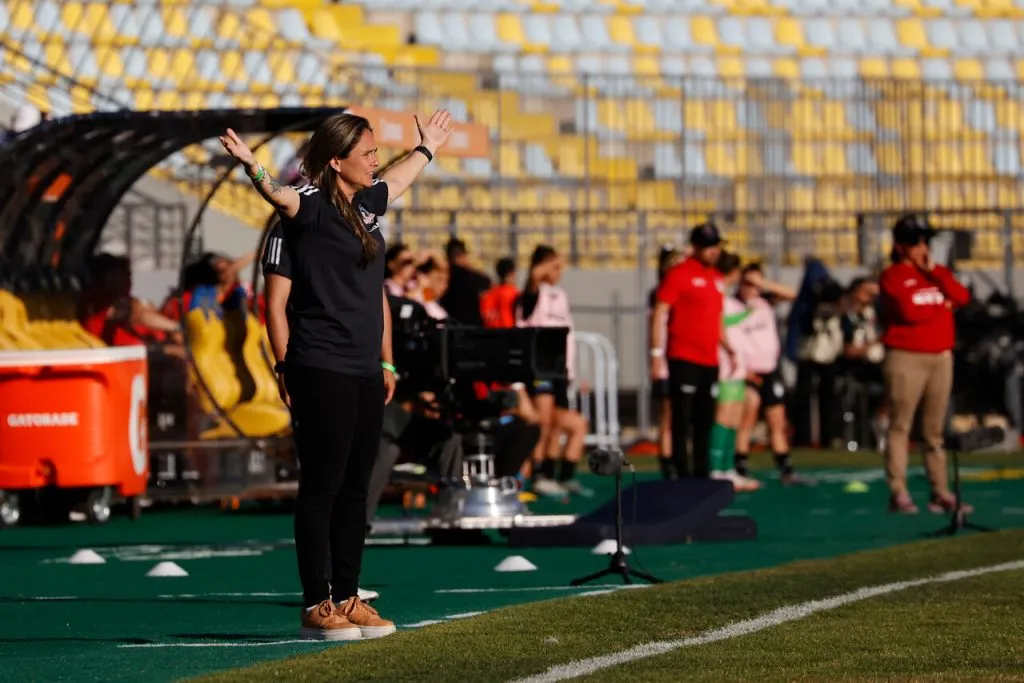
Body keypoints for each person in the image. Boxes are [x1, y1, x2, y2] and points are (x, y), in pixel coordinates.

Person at [219, 108, 453, 640]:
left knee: (355, 486)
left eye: (375, 152)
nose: (375, 161)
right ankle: (316, 603)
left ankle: (349, 596)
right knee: (322, 486)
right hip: (319, 365)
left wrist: (427, 149)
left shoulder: (368, 208)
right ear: (336, 161)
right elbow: (277, 193)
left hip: (365, 368)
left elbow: (396, 184)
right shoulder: (308, 210)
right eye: (366, 153)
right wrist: (253, 166)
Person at [879, 214, 972, 515]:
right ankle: (898, 490)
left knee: (934, 431)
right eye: (915, 242)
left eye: (924, 241)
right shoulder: (893, 276)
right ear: (901, 245)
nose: (922, 247)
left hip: (940, 356)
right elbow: (910, 312)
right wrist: (941, 306)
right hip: (907, 356)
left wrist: (936, 275)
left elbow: (962, 296)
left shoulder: (936, 272)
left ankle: (940, 491)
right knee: (901, 425)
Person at [650, 222, 736, 480]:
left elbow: (717, 318)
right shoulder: (679, 274)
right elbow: (660, 312)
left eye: (716, 246)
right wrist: (656, 354)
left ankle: (702, 470)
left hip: (709, 358)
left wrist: (729, 348)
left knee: (705, 418)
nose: (713, 252)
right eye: (708, 246)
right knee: (681, 417)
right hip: (683, 356)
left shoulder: (716, 278)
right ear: (696, 247)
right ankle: (680, 471)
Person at [516, 245, 591, 498]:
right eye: (555, 266)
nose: (559, 272)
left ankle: (552, 473)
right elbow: (530, 290)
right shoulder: (532, 293)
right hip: (540, 368)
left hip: (560, 370)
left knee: (560, 424)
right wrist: (537, 273)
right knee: (544, 422)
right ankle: (537, 473)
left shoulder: (560, 295)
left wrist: (572, 371)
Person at [733, 263, 806, 485]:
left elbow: (793, 295)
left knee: (777, 420)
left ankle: (786, 468)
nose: (750, 288)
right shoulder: (734, 306)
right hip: (748, 371)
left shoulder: (764, 302)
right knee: (748, 418)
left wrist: (762, 284)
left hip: (770, 370)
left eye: (754, 284)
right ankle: (740, 467)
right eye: (747, 283)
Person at [708, 252, 760, 491]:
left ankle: (728, 469)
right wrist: (728, 348)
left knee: (735, 416)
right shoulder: (717, 293)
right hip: (725, 364)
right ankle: (715, 468)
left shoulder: (726, 296)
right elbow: (718, 323)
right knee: (724, 415)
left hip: (736, 365)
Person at [648, 245, 682, 480]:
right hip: (667, 361)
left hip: (681, 359)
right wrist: (657, 357)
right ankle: (668, 463)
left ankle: (679, 460)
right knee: (668, 414)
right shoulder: (660, 293)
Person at [439, 236, 491, 326]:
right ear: (461, 256)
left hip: (448, 327)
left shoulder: (442, 276)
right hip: (470, 328)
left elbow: (429, 298)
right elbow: (487, 283)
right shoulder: (470, 276)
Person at [480, 256, 519, 329]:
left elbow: (485, 316)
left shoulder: (489, 294)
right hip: (511, 332)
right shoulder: (514, 293)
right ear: (512, 273)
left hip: (493, 334)